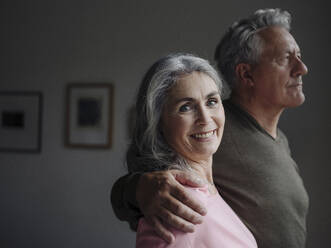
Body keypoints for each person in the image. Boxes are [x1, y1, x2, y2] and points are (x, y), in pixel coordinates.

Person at [111, 8, 309, 248]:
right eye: (286, 58)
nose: (302, 68)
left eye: (212, 101)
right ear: (246, 73)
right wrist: (137, 189)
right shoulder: (210, 133)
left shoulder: (279, 140)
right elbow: (146, 171)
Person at [122, 53, 257, 247]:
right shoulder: (178, 206)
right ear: (159, 123)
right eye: (186, 107)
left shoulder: (208, 190)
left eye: (212, 102)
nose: (205, 118)